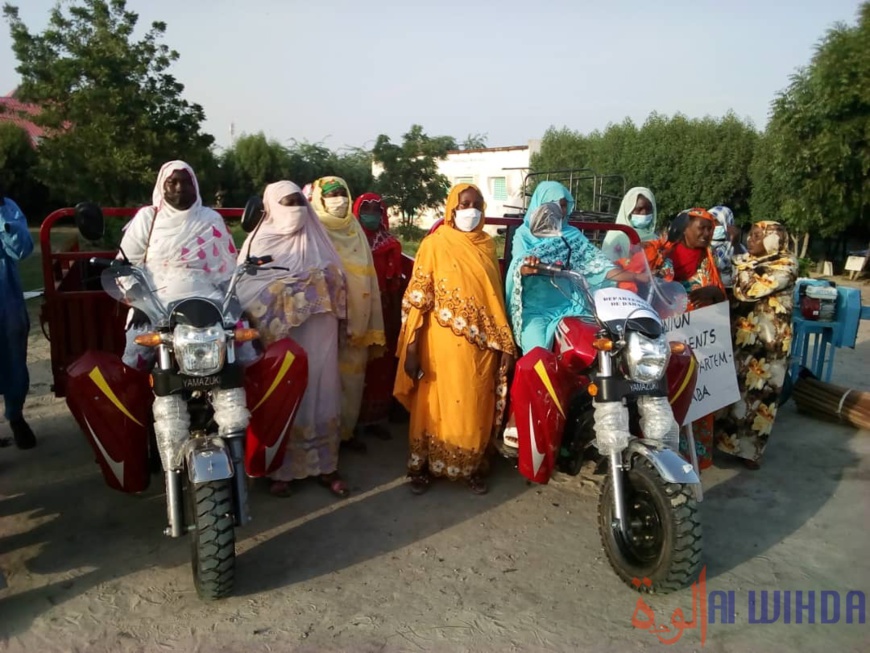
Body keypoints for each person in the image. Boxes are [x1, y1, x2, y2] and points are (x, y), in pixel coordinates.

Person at [394, 183, 516, 495]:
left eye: (477, 204)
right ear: (452, 209)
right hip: (440, 345)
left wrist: (503, 343)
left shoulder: (487, 246)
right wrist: (410, 350)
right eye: (464, 204)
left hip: (482, 348)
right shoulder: (435, 244)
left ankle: (471, 466)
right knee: (436, 404)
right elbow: (418, 299)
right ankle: (423, 466)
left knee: (475, 404)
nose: (470, 210)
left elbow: (494, 300)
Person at [235, 181, 350, 497]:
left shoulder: (317, 239)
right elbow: (245, 290)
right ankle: (279, 468)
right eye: (288, 203)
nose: (296, 210)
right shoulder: (259, 241)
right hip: (281, 339)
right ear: (271, 206)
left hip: (320, 331)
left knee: (322, 392)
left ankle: (327, 466)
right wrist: (287, 292)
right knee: (283, 394)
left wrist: (315, 285)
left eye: (300, 202)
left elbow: (338, 279)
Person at [119, 160, 239, 371]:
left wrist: (234, 303)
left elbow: (227, 269)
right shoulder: (148, 218)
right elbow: (126, 264)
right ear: (161, 186)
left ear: (195, 186)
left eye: (186, 182)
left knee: (241, 351)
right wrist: (138, 301)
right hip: (154, 303)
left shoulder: (211, 219)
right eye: (172, 182)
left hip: (210, 303)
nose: (179, 188)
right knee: (133, 361)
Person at [647, 208, 726, 469]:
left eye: (709, 229)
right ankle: (664, 458)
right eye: (700, 228)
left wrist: (715, 292)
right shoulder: (664, 253)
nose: (706, 234)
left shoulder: (708, 258)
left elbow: (722, 298)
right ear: (684, 228)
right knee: (669, 395)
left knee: (699, 397)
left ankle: (696, 458)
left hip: (702, 339)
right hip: (669, 338)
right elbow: (648, 283)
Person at [310, 176, 385, 452]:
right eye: (332, 194)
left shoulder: (354, 228)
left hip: (357, 316)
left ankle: (346, 433)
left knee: (352, 379)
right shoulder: (313, 228)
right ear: (320, 198)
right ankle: (322, 439)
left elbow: (369, 276)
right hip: (325, 317)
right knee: (323, 379)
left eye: (343, 193)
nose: (339, 199)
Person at [716, 221, 797, 470]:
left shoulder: (786, 265)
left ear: (774, 240)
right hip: (742, 337)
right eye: (750, 234)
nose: (751, 239)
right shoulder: (748, 261)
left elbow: (747, 291)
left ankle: (750, 453)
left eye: (759, 236)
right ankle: (725, 443)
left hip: (768, 343)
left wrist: (740, 267)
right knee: (734, 392)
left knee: (760, 397)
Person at [506, 202, 635, 354]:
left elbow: (598, 265)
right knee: (537, 355)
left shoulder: (571, 235)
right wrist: (528, 267)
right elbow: (520, 266)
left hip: (570, 305)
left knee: (599, 344)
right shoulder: (524, 235)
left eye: (564, 205)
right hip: (536, 311)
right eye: (555, 204)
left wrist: (638, 276)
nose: (560, 210)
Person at [352, 192, 403, 436]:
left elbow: (394, 285)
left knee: (380, 364)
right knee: (354, 362)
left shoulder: (390, 244)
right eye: (366, 209)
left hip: (381, 310)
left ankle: (375, 420)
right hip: (354, 309)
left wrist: (394, 319)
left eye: (376, 210)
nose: (371, 215)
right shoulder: (348, 241)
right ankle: (351, 421)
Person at [0, 187, 36, 449]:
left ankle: (16, 415)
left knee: (14, 362)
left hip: (6, 298)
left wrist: (3, 221)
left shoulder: (7, 207)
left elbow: (23, 250)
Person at [601, 187, 659, 260]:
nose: (644, 213)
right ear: (629, 210)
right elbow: (608, 267)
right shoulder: (616, 237)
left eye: (649, 209)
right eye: (639, 209)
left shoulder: (655, 239)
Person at [708, 205, 744, 289]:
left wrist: (735, 244)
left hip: (729, 292)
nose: (712, 226)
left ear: (727, 223)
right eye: (709, 222)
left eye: (716, 222)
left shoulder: (736, 247)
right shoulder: (702, 244)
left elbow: (743, 267)